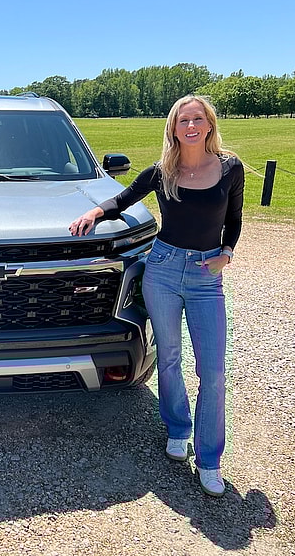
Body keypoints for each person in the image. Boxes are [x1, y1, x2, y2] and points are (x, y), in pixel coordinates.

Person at [69, 94, 244, 497]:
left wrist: (227, 253)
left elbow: (234, 218)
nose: (191, 126)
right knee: (168, 357)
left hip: (206, 275)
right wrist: (93, 213)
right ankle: (178, 429)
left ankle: (210, 460)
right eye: (184, 120)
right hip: (162, 270)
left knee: (213, 371)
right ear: (174, 127)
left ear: (209, 124)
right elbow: (122, 200)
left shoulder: (230, 167)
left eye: (198, 118)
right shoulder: (162, 171)